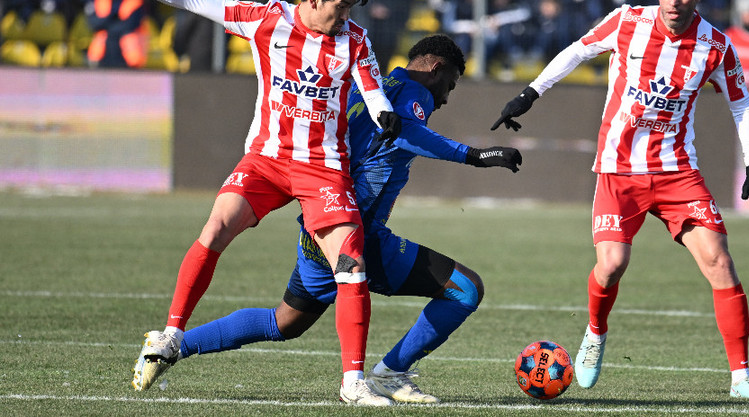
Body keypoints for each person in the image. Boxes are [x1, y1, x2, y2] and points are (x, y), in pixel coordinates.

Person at [82, 0, 402, 405]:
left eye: (351, 8)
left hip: (323, 169)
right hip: (267, 161)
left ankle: (353, 382)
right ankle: (170, 335)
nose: (346, 16)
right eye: (341, 5)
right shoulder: (266, 20)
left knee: (351, 265)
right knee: (214, 228)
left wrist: (383, 114)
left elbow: (373, 93)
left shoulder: (354, 40)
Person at [133, 35, 522, 404]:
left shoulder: (371, 86)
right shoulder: (413, 93)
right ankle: (390, 374)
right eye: (450, 85)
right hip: (356, 236)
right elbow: (407, 134)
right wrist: (476, 155)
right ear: (435, 68)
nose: (446, 98)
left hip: (318, 226)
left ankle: (171, 346)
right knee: (465, 289)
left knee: (284, 322)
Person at [491, 0, 749, 400]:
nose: (673, 1)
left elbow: (741, 104)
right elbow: (576, 51)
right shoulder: (627, 22)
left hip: (677, 172)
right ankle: (594, 332)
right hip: (619, 168)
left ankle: (742, 378)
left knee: (720, 262)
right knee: (612, 266)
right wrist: (529, 94)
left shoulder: (716, 45)